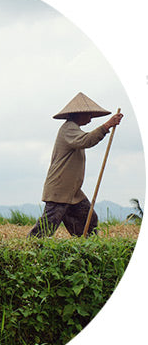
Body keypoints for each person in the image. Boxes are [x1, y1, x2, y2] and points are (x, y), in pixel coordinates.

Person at [28, 92, 123, 238]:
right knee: (47, 225)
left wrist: (106, 127)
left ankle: (88, 248)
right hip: (59, 189)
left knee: (89, 220)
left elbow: (85, 139)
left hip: (73, 191)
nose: (90, 118)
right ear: (78, 114)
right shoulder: (69, 129)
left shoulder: (74, 130)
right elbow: (87, 140)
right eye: (88, 114)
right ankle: (28, 249)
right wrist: (107, 126)